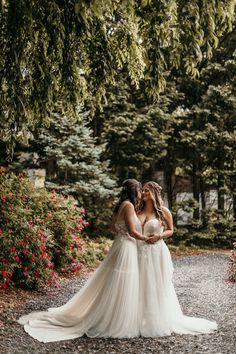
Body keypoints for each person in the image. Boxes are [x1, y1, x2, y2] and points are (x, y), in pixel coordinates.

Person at [18, 179, 147, 342]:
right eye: (140, 190)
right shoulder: (128, 205)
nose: (141, 193)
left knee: (117, 281)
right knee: (123, 281)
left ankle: (113, 315)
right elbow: (132, 231)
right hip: (126, 247)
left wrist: (123, 234)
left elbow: (113, 228)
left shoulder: (121, 205)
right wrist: (146, 238)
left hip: (121, 244)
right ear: (134, 190)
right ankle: (115, 319)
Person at [137, 181, 217, 337]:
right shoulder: (137, 210)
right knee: (140, 282)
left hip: (156, 251)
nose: (143, 193)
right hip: (139, 251)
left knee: (157, 283)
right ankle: (139, 317)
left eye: (147, 190)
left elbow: (170, 230)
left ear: (154, 193)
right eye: (143, 190)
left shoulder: (163, 211)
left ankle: (156, 318)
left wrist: (159, 236)